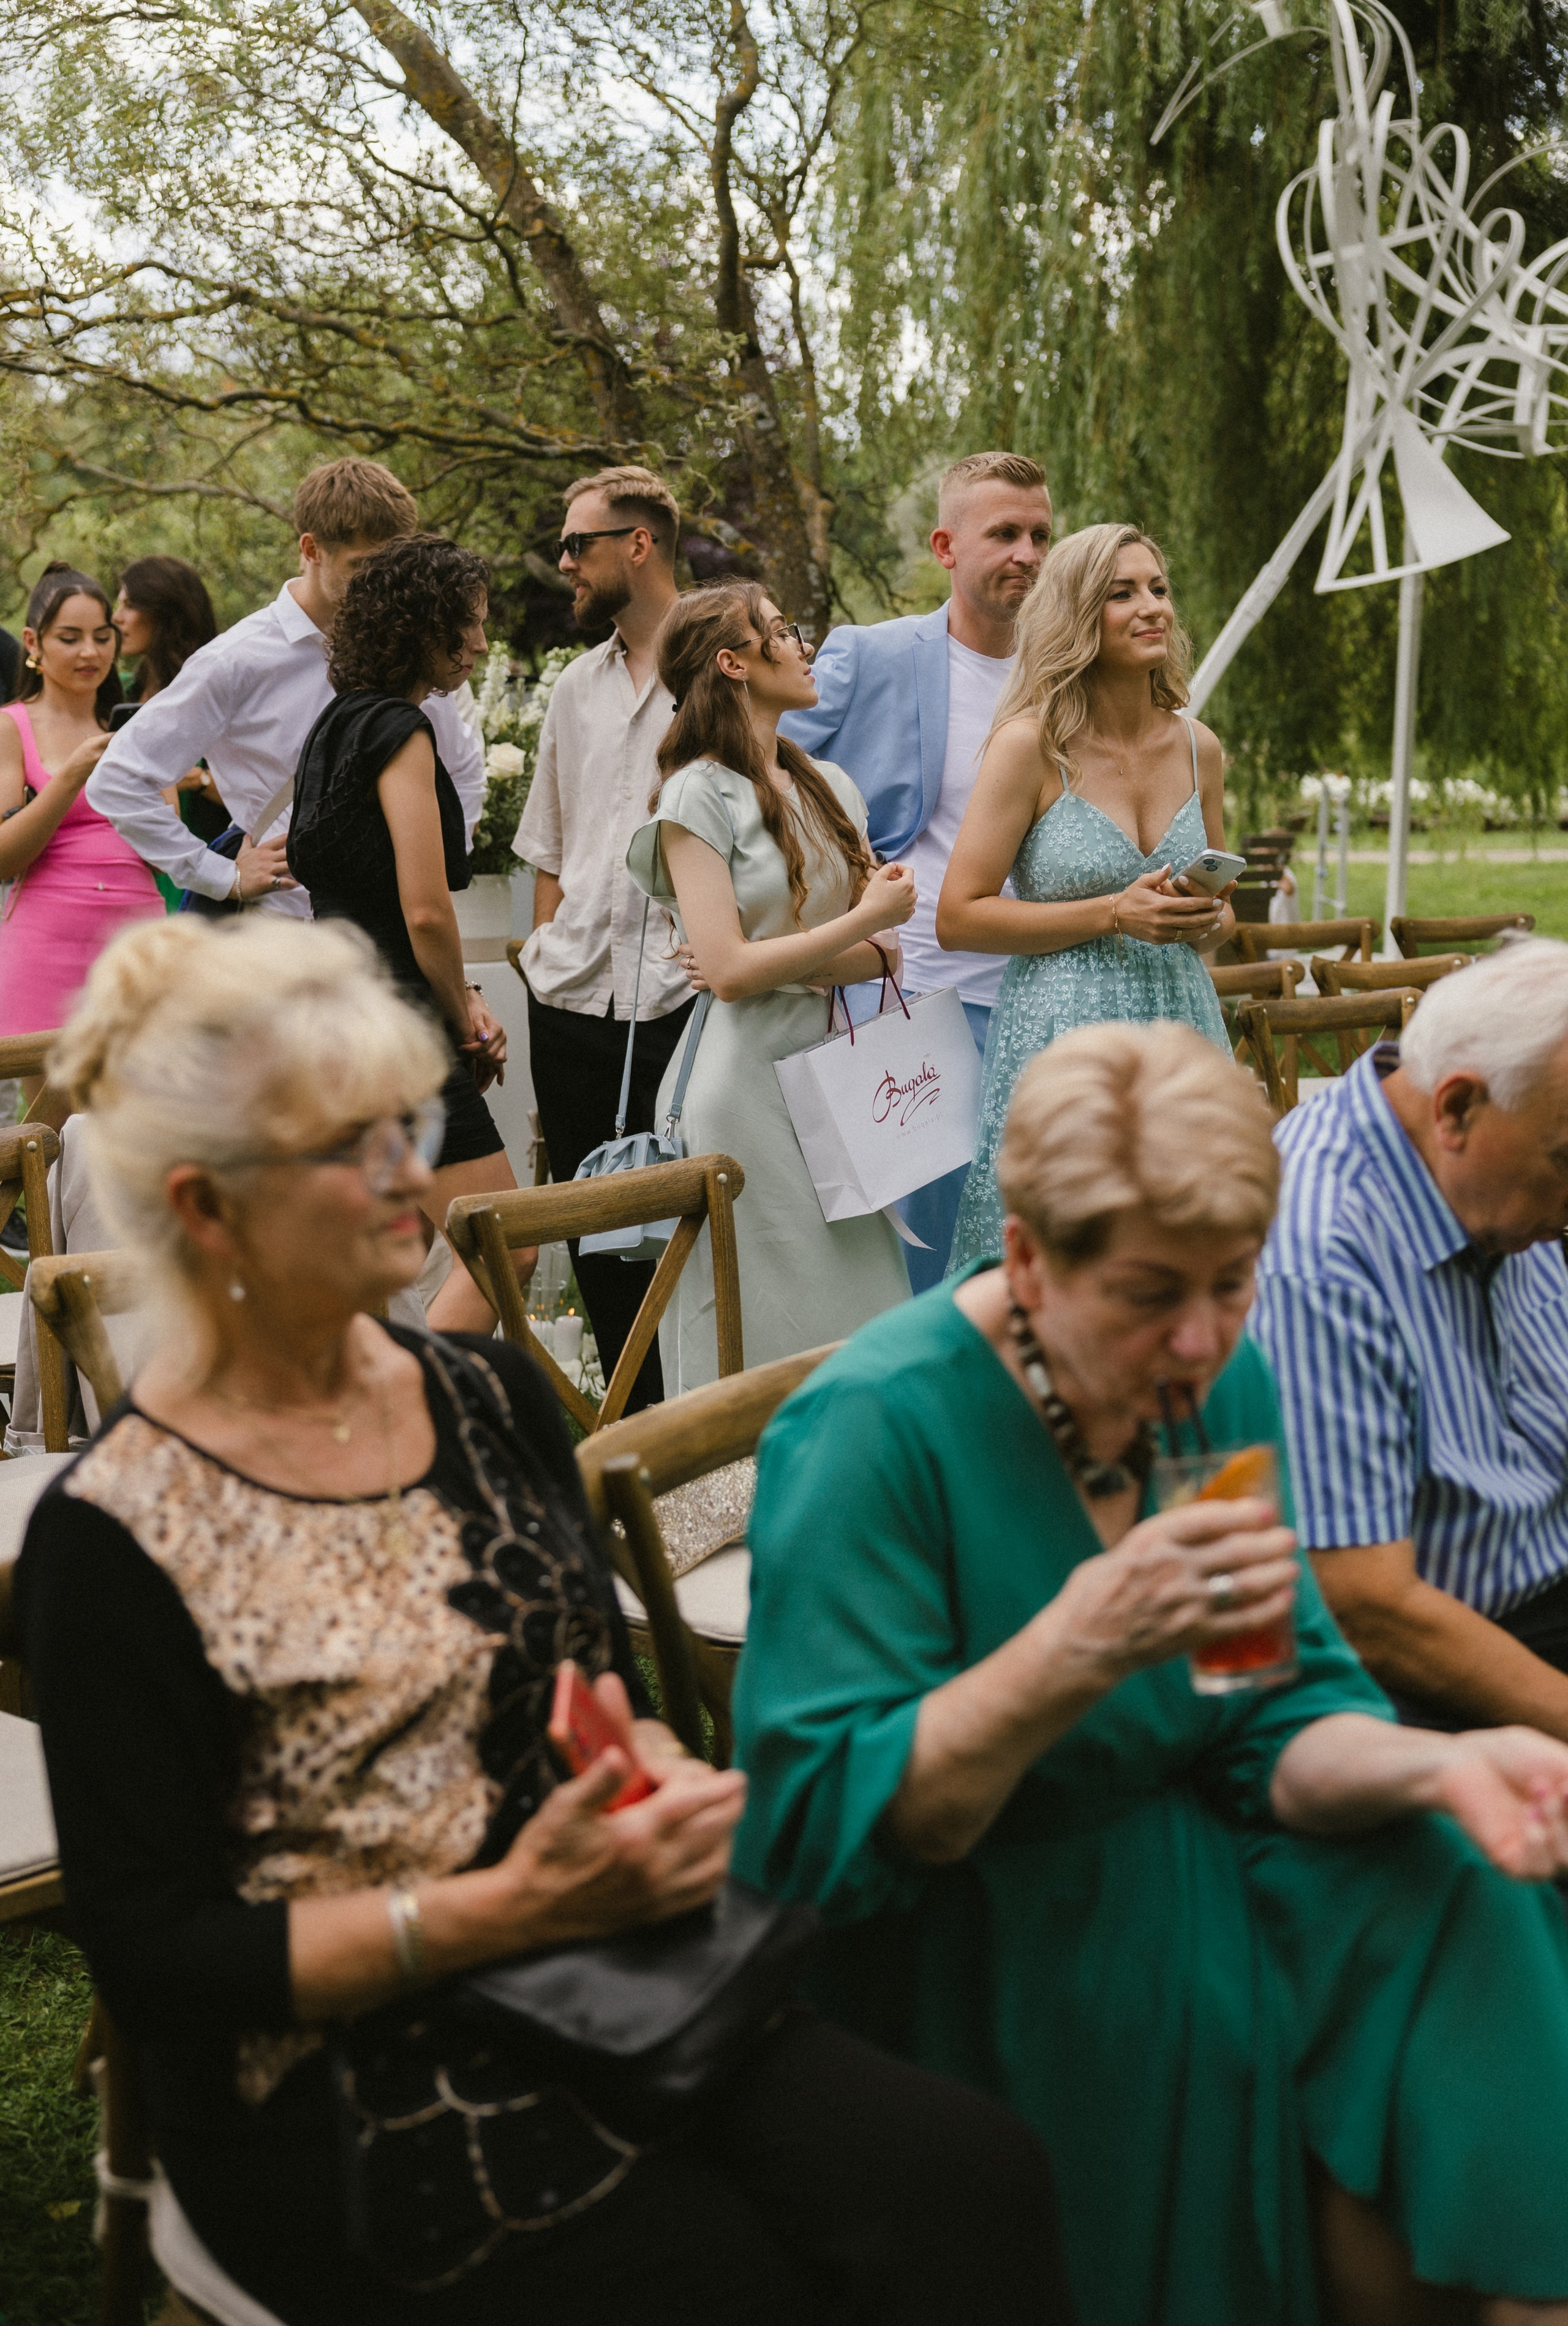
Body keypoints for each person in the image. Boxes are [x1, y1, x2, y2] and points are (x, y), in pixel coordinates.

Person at [15, 912, 1072, 2326]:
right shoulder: (113, 1535)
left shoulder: (482, 1398)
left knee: (973, 2180)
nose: (416, 1177)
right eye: (354, 1148)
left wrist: (658, 1780)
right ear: (207, 1210)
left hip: (598, 1964)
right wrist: (502, 1908)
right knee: (734, 2282)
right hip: (337, 2075)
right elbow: (163, 1960)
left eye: (410, 1123)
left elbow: (591, 1696)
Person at [733, 1018, 1568, 2326]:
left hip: (1204, 1837)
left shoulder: (1211, 1391)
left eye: (1232, 1285)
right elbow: (844, 1835)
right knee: (1347, 2010)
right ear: (1026, 1258)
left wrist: (1443, 1764)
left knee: (1466, 1886)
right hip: (981, 1915)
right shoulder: (872, 1430)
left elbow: (1265, 1705)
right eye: (1146, 1295)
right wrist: (1073, 1650)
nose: (1198, 1340)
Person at [1250, 935, 1568, 1739]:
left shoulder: (1501, 1177)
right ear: (1455, 1109)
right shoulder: (1316, 1255)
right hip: (1451, 1674)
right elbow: (1368, 1608)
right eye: (1565, 1162)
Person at [626, 582, 914, 1390]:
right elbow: (728, 975)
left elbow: (884, 958)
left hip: (833, 1081)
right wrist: (852, 929)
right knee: (752, 1327)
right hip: (742, 1093)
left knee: (865, 1312)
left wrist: (769, 960)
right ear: (734, 663)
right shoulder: (695, 794)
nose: (805, 646)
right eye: (783, 632)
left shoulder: (833, 786)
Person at [779, 451, 1054, 1288]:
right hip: (915, 1002)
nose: (1028, 555)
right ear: (945, 546)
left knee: (1033, 1254)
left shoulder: (1066, 674)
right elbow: (758, 770)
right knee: (921, 1269)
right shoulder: (874, 655)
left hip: (1046, 1003)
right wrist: (824, 897)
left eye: (1041, 535)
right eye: (1004, 534)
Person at [940, 524, 1234, 1271]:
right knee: (1069, 1252)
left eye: (1158, 589)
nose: (1152, 607)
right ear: (1075, 614)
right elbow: (958, 915)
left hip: (1180, 1025)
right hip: (1061, 1032)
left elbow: (1219, 923)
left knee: (1190, 1239)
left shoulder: (1198, 747)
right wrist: (1112, 913)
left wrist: (1205, 914)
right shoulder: (1028, 747)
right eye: (1121, 593)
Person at [288, 534, 527, 1334]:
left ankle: (371, 1395)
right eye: (470, 623)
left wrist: (462, 996)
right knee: (504, 1250)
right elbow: (423, 911)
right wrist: (462, 1019)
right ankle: (421, 1399)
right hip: (399, 1032)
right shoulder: (400, 731)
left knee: (393, 1250)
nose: (481, 644)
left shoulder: (330, 730)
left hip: (336, 1021)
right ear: (421, 625)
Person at [86, 459, 485, 918]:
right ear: (312, 549)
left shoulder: (414, 648)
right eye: (362, 566)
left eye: (391, 568)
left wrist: (433, 876)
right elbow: (119, 778)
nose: (380, 585)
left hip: (389, 928)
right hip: (278, 923)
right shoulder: (237, 659)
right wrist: (219, 874)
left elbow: (460, 769)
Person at [512, 466, 693, 1410]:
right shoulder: (575, 689)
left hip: (686, 997)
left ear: (639, 544)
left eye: (578, 544)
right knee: (595, 1244)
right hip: (572, 999)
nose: (564, 563)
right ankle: (630, 1440)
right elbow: (548, 844)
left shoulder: (721, 667)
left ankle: (702, 1439)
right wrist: (546, 959)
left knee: (690, 1236)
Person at [0, 564, 164, 1082]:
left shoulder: (139, 727)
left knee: (146, 1115)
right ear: (34, 642)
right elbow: (4, 858)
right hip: (47, 944)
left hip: (139, 943)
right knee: (50, 1124)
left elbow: (165, 854)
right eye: (70, 639)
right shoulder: (10, 726)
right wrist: (71, 776)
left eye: (102, 636)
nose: (90, 652)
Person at [113, 553, 230, 851]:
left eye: (129, 605)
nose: (117, 617)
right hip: (125, 856)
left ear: (165, 612)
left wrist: (199, 780)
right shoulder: (120, 690)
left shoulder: (217, 691)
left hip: (206, 855)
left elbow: (265, 790)